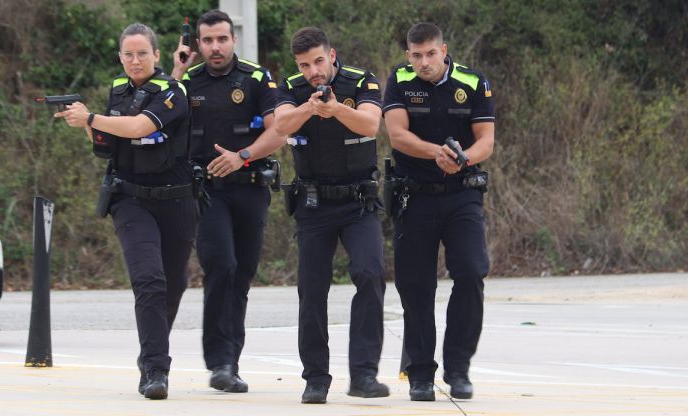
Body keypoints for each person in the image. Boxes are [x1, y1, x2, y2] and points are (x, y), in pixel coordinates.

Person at [55, 23, 197, 400]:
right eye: (128, 54)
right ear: (120, 57)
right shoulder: (118, 90)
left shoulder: (173, 91)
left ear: (155, 54)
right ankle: (155, 369)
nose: (135, 60)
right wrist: (86, 125)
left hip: (178, 200)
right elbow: (106, 144)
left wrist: (90, 119)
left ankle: (150, 351)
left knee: (174, 284)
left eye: (142, 53)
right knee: (148, 280)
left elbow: (138, 126)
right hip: (131, 199)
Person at [171, 9, 283, 393]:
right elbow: (157, 114)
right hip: (206, 191)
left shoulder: (256, 78)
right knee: (221, 265)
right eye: (207, 41)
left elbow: (278, 133)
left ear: (233, 39)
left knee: (242, 274)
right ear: (197, 44)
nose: (215, 47)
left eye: (221, 39)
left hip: (250, 186)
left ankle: (230, 362)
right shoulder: (188, 80)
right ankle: (218, 360)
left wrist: (243, 156)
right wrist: (176, 73)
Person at [274, 27, 389, 404]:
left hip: (358, 201)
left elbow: (371, 124)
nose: (313, 71)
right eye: (305, 65)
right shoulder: (290, 87)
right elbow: (280, 126)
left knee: (370, 275)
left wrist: (336, 108)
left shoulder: (362, 81)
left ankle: (364, 374)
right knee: (311, 290)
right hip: (314, 203)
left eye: (319, 62)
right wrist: (309, 106)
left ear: (332, 55)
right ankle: (316, 378)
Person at [382, 22, 495, 401]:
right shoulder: (398, 81)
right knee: (415, 286)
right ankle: (420, 373)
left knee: (471, 272)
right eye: (416, 55)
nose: (424, 62)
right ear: (407, 55)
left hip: (461, 194)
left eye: (431, 54)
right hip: (415, 195)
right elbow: (397, 135)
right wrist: (437, 153)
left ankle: (458, 368)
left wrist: (461, 161)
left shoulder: (472, 81)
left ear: (444, 50)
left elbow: (486, 141)